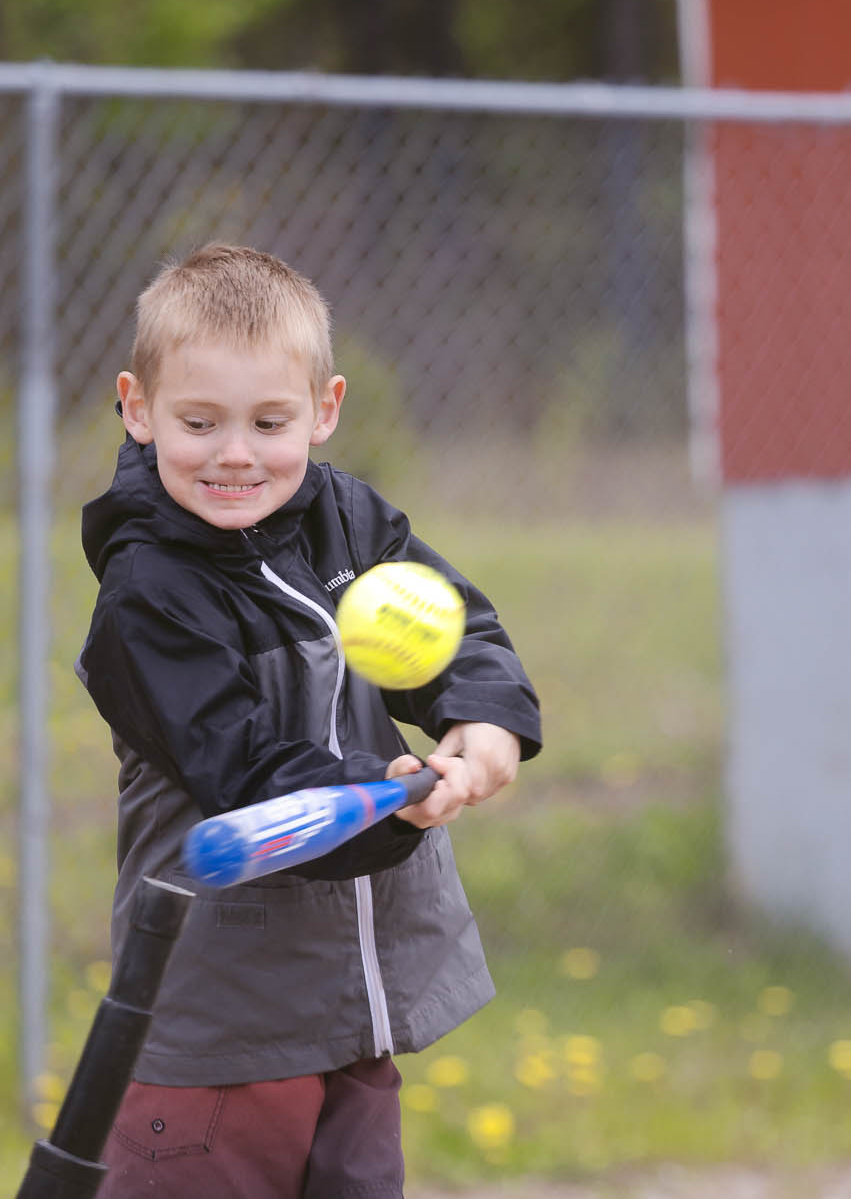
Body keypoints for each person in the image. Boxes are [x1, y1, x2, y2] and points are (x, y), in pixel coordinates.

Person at [76, 243, 542, 1198]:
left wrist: (482, 716)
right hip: (222, 1033)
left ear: (324, 410)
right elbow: (245, 776)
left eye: (269, 421)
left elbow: (457, 625)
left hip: (352, 1016)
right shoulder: (148, 595)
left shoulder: (349, 522)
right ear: (138, 408)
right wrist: (389, 797)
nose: (234, 453)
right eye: (199, 421)